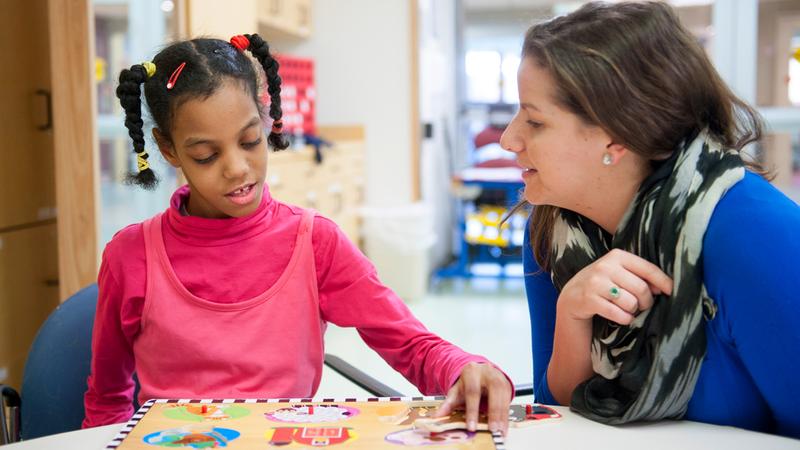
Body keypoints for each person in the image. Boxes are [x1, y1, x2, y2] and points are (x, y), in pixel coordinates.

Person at [83, 33, 513, 434]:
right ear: (169, 149)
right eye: (206, 155)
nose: (237, 168)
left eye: (250, 141)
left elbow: (409, 342)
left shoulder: (315, 242)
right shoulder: (131, 254)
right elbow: (107, 400)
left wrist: (464, 367)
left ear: (267, 121)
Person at [499, 1, 800, 438]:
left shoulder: (751, 234)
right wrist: (572, 315)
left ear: (616, 137)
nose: (509, 139)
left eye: (535, 121)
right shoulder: (551, 228)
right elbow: (561, 420)